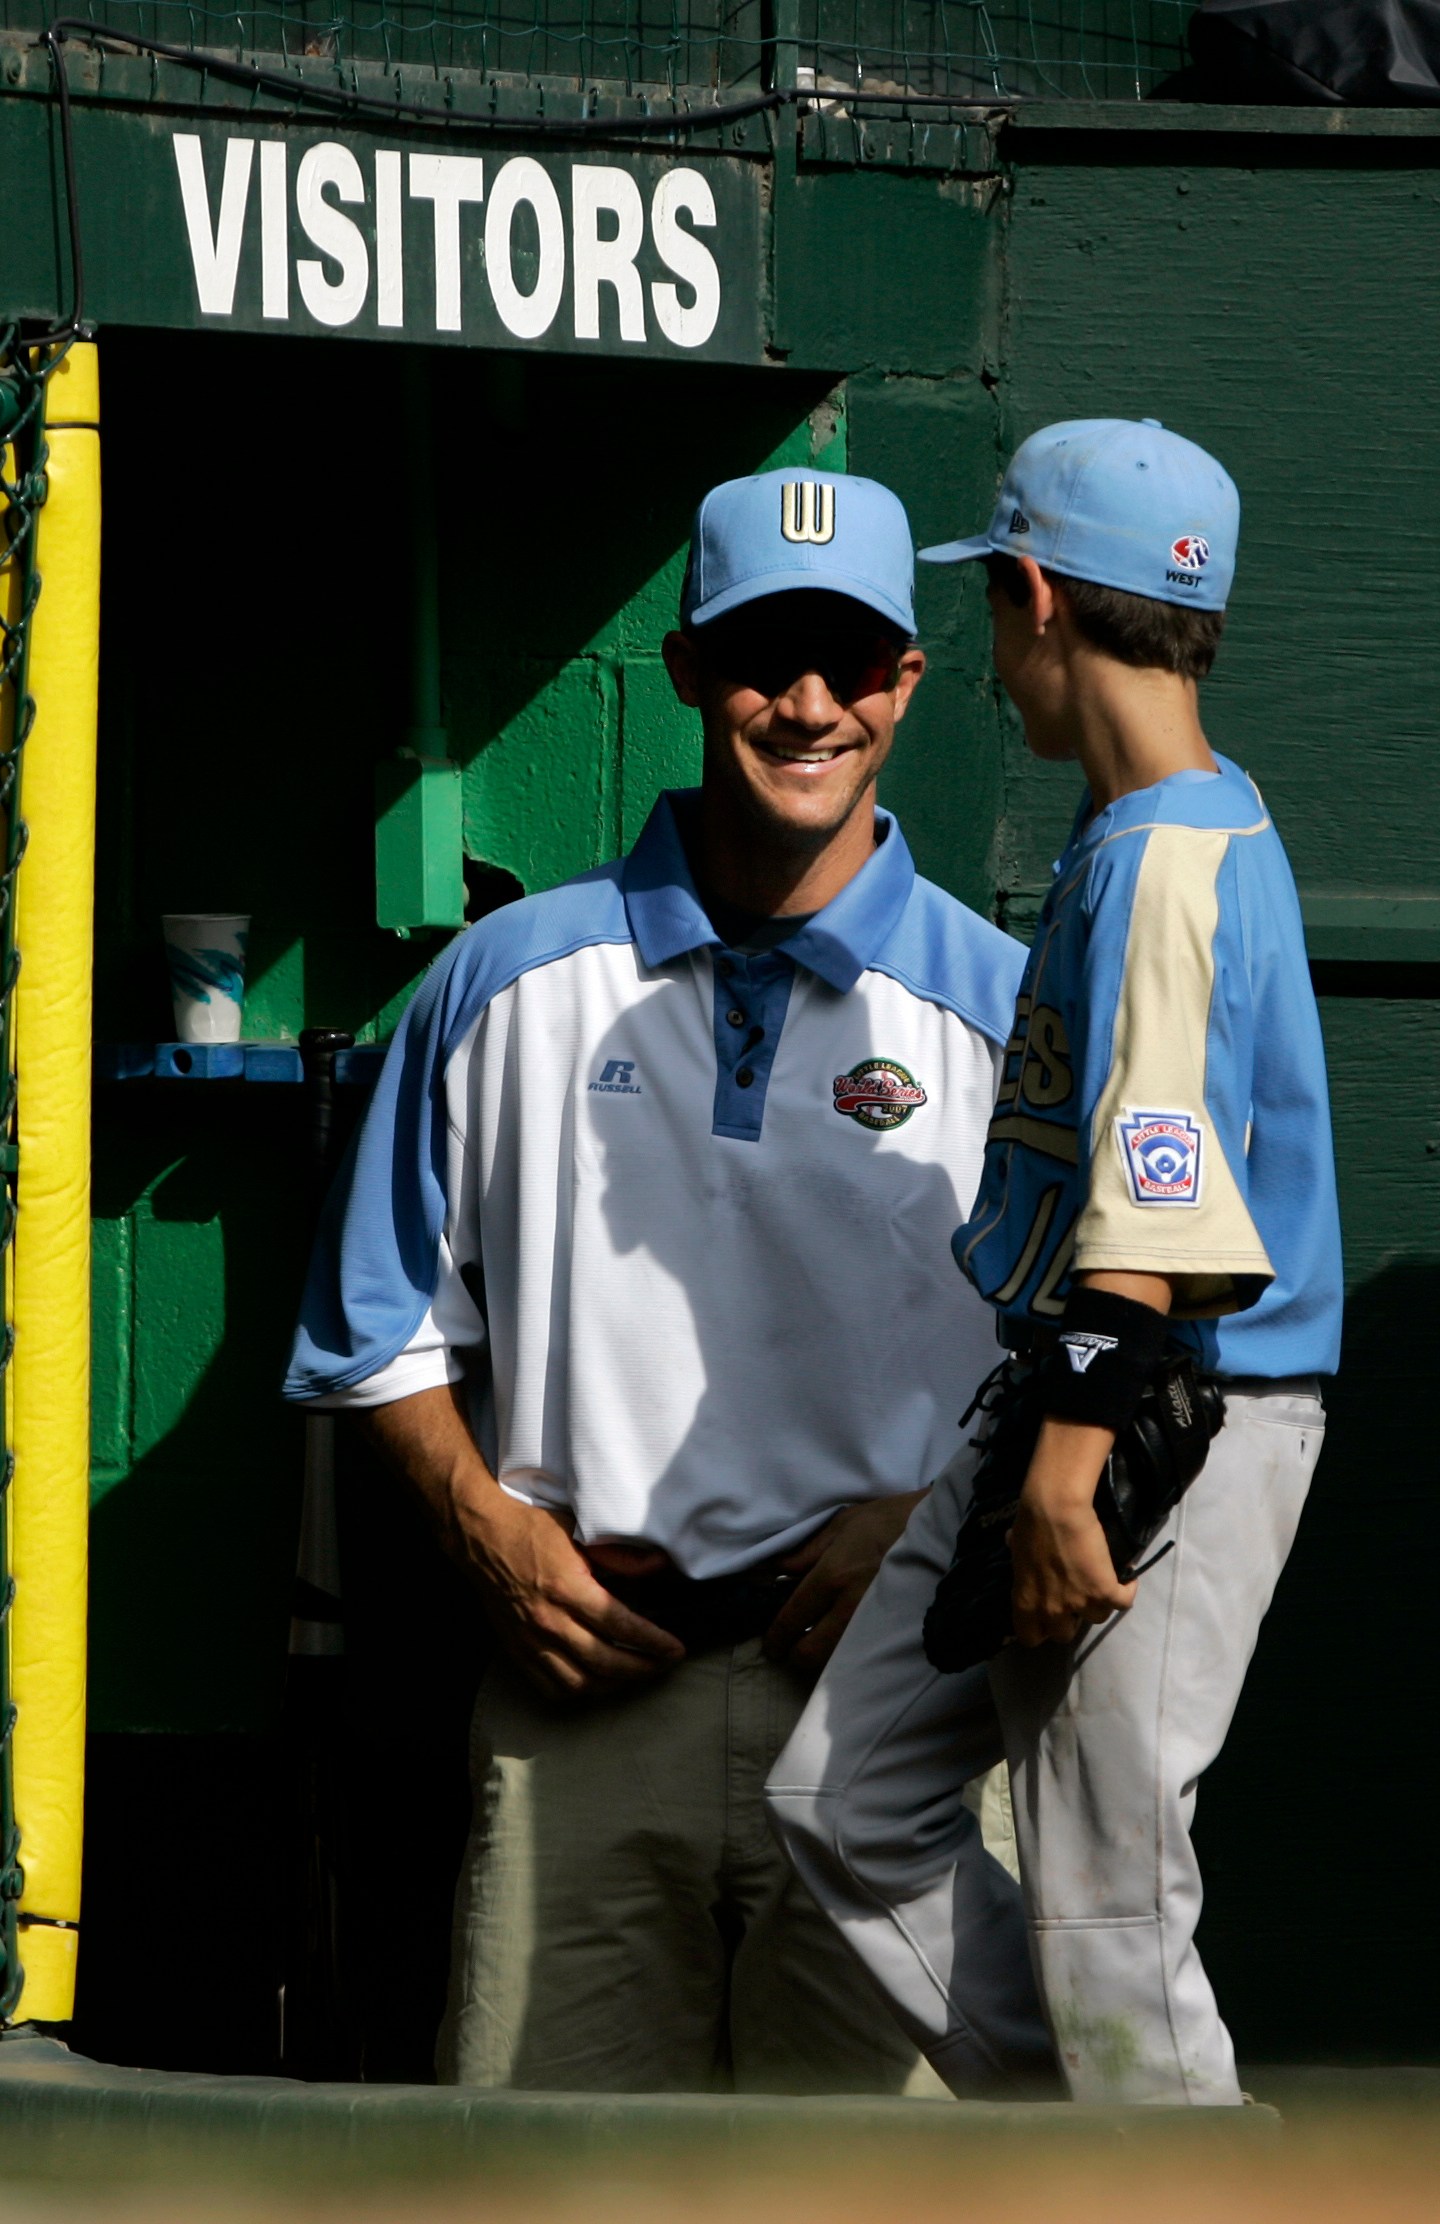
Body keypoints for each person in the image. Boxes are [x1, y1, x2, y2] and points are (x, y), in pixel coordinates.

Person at [283, 466, 1036, 2094]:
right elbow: (373, 1333)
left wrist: (924, 1523)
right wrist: (491, 1538)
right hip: (583, 1708)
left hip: (889, 1712)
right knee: (543, 2200)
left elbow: (1087, 1365)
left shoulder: (1008, 1013)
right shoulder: (503, 983)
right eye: (769, 653)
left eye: (853, 658)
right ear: (689, 665)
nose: (810, 701)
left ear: (909, 682)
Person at [766, 419, 1343, 2105]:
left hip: (1171, 1405)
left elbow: (1155, 1218)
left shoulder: (1170, 858)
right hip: (1082, 1386)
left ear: (1029, 596)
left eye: (994, 611)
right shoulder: (1158, 827)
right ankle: (1109, 2154)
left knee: (1108, 1901)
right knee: (845, 1799)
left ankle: (1168, 2187)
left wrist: (1066, 1476)